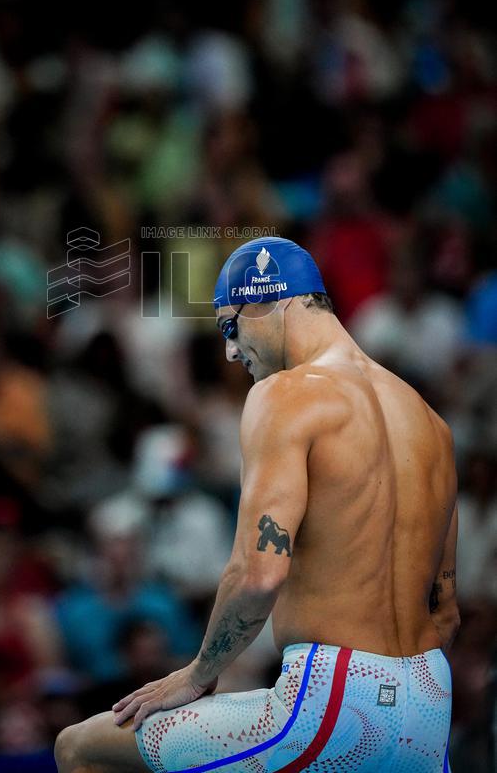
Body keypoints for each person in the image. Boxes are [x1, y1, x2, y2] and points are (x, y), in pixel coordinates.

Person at [55, 236, 459, 772]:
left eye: (230, 326)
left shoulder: (286, 395)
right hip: (429, 703)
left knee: (83, 749)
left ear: (271, 301)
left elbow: (259, 574)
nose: (229, 350)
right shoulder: (431, 423)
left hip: (335, 699)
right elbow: (447, 610)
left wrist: (199, 671)